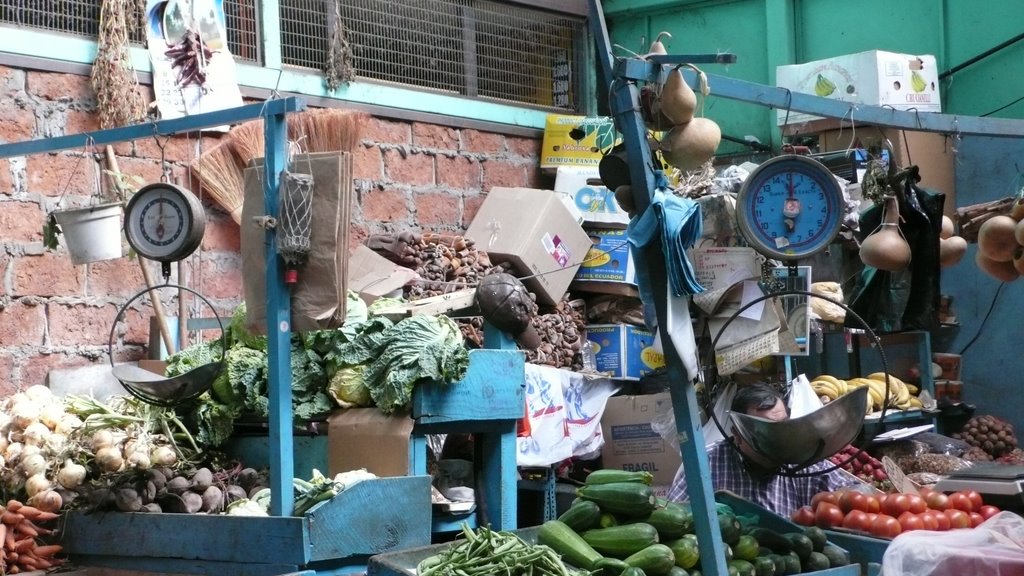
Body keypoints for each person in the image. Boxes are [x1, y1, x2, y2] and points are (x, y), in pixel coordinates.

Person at [667, 383, 859, 516]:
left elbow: (855, 497)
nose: (777, 441)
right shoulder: (706, 464)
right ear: (737, 434)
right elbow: (674, 515)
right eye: (765, 432)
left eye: (782, 428)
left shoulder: (803, 458)